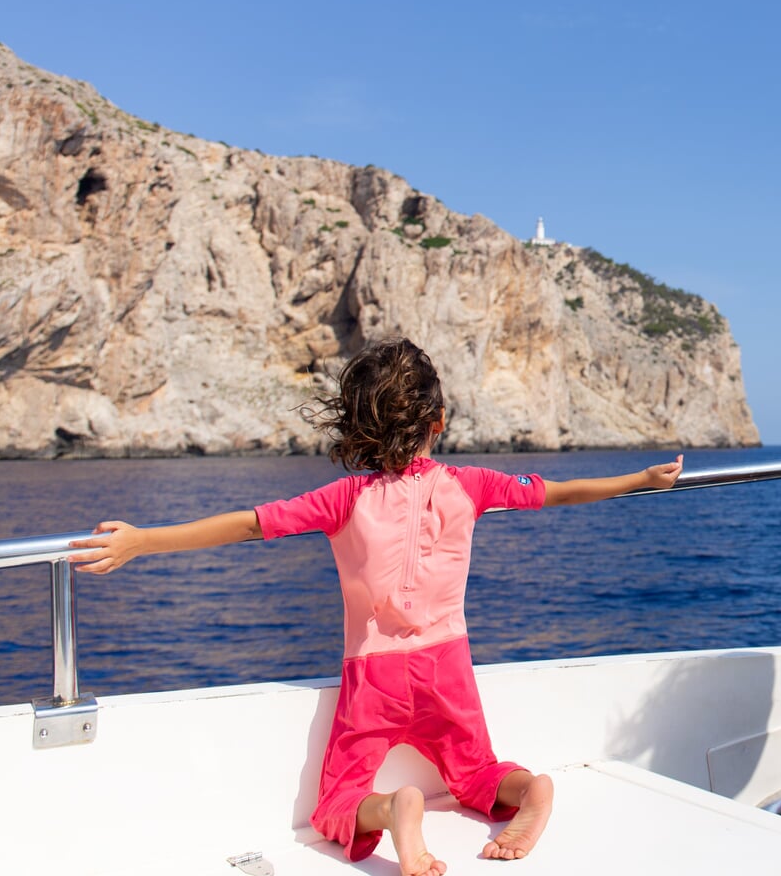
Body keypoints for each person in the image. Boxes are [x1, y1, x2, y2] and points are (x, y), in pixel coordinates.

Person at [72, 338, 684, 876]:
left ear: (362, 426)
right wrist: (641, 481)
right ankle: (529, 792)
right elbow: (558, 492)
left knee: (336, 801)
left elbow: (248, 526)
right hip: (448, 666)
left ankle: (393, 810)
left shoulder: (345, 498)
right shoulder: (470, 485)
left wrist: (142, 540)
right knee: (477, 774)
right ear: (438, 422)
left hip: (375, 674)